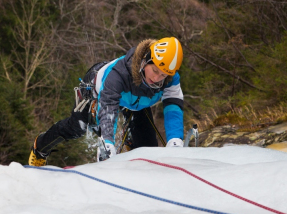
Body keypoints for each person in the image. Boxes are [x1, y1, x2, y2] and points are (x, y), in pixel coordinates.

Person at [29, 37, 184, 166]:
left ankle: (131, 137)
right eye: (155, 70)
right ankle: (40, 147)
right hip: (98, 92)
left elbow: (173, 105)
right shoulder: (118, 76)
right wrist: (107, 143)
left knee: (148, 148)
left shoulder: (170, 79)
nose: (156, 78)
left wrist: (175, 139)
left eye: (163, 75)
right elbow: (108, 109)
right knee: (78, 127)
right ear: (145, 61)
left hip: (135, 104)